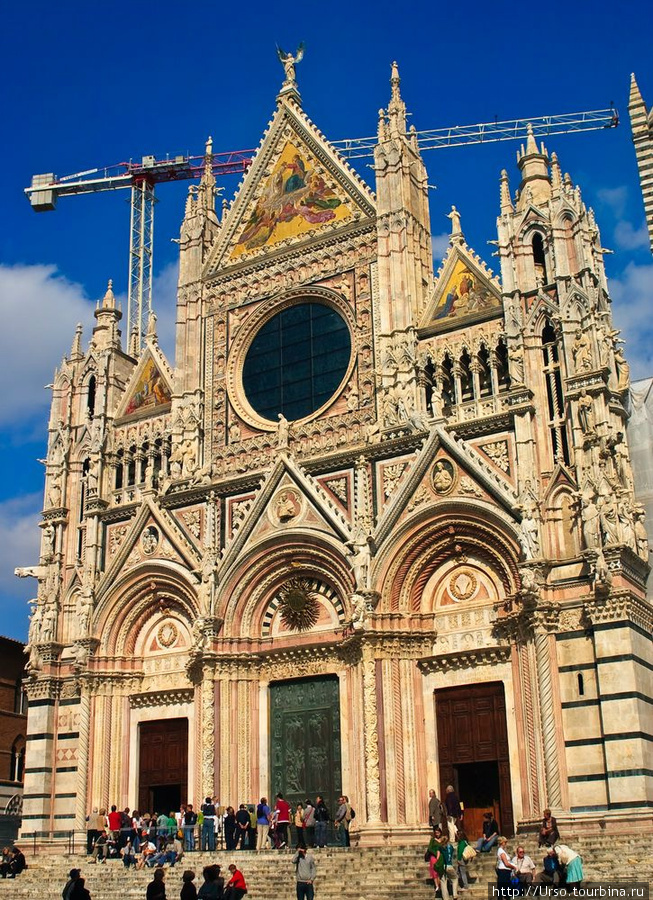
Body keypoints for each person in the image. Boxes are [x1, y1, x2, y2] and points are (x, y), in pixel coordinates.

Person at [439, 835, 458, 900]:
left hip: (443, 865)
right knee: (455, 879)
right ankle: (455, 894)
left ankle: (445, 898)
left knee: (443, 881)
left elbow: (438, 856)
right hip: (450, 865)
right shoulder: (451, 847)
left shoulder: (441, 847)